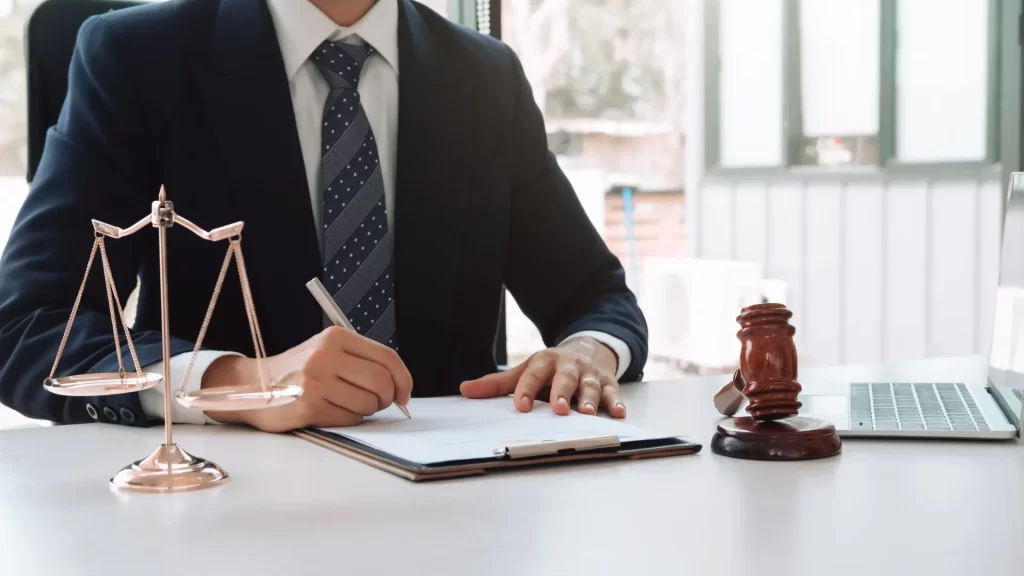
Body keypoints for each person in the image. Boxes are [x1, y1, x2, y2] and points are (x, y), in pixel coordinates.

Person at [0, 0, 647, 432]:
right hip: (221, 510)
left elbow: (594, 297)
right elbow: (25, 326)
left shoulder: (485, 77)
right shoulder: (137, 59)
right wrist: (240, 383)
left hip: (452, 506)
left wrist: (589, 352)